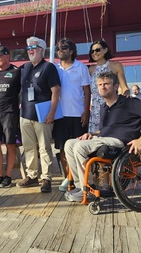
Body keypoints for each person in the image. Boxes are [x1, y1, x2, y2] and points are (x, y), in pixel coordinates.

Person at [64, 71, 141, 202]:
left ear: (116, 86)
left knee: (80, 147)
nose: (103, 87)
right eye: (100, 84)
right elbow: (104, 131)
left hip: (121, 141)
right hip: (104, 139)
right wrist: (91, 134)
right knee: (69, 144)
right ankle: (80, 186)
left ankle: (89, 187)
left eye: (107, 83)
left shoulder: (130, 103)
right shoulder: (104, 107)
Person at [16, 36, 60, 193]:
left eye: (34, 47)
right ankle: (32, 175)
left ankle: (46, 177)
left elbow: (56, 91)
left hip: (43, 115)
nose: (30, 50)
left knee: (44, 147)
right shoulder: (25, 67)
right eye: (28, 48)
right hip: (25, 114)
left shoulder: (49, 67)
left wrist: (52, 113)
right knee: (28, 148)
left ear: (42, 50)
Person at [53, 38, 91, 192]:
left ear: (72, 51)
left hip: (77, 115)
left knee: (78, 148)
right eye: (58, 48)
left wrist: (86, 111)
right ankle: (67, 177)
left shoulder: (81, 67)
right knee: (62, 148)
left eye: (63, 48)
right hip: (60, 115)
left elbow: (87, 91)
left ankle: (80, 177)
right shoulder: (54, 68)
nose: (60, 50)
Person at [0, 46, 21, 188]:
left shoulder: (16, 72)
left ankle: (8, 176)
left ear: (7, 57)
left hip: (10, 113)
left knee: (10, 144)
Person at [88, 40, 129, 133]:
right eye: (92, 51)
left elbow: (124, 87)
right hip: (96, 109)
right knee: (95, 136)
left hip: (111, 106)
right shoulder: (90, 69)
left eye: (97, 50)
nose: (95, 53)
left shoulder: (115, 65)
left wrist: (124, 99)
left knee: (110, 133)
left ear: (105, 50)